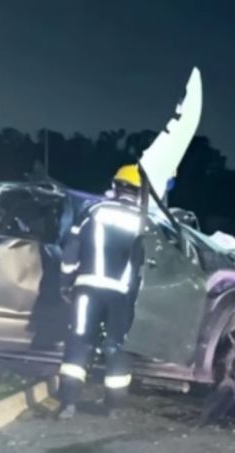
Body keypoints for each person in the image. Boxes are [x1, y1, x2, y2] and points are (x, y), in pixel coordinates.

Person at [54, 164, 146, 419]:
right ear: (139, 192)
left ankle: (69, 404)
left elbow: (71, 250)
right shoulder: (144, 221)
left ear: (116, 186)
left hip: (87, 289)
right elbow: (146, 265)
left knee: (79, 340)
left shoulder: (92, 211)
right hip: (122, 296)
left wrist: (65, 282)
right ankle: (113, 408)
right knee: (116, 346)